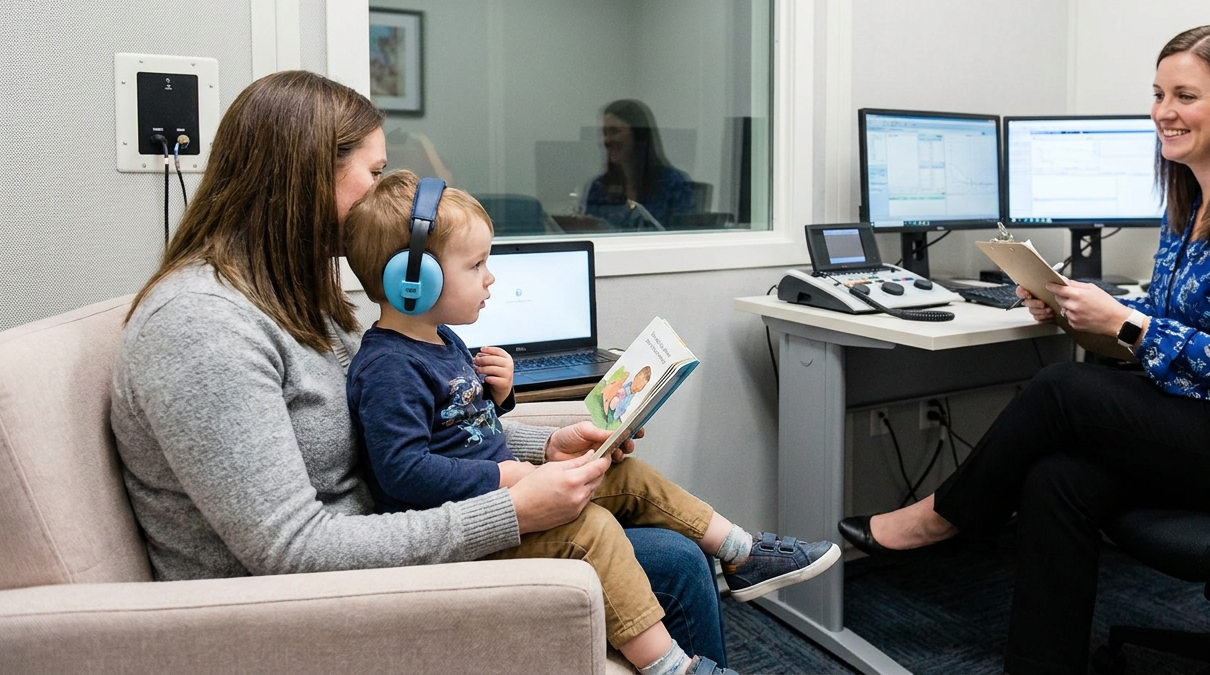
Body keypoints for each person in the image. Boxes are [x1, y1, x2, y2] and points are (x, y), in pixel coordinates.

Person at [107, 71, 726, 672]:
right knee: (666, 564)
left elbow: (418, 431)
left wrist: (543, 448)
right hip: (303, 612)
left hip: (383, 545)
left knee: (673, 555)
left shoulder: (302, 300)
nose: (385, 199)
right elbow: (288, 550)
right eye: (374, 174)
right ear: (306, 176)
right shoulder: (202, 328)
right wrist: (511, 511)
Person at [837, 24, 1210, 675]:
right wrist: (1078, 306)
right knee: (1057, 478)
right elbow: (1179, 318)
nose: (1163, 112)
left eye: (1185, 95)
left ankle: (944, 517)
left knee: (1064, 390)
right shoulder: (1195, 200)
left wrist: (1126, 325)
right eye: (1157, 93)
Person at [340, 169, 840, 675]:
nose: (491, 278)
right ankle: (670, 666)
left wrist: (502, 396)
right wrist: (504, 476)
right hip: (466, 534)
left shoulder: (441, 339)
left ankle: (741, 553)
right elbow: (402, 471)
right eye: (476, 265)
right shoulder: (388, 368)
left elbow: (463, 427)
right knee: (592, 527)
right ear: (413, 282)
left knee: (623, 473)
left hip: (502, 495)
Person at [585, 99, 697, 230]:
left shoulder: (673, 184)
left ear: (638, 135)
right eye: (604, 133)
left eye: (614, 131)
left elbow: (682, 239)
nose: (607, 140)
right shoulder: (599, 188)